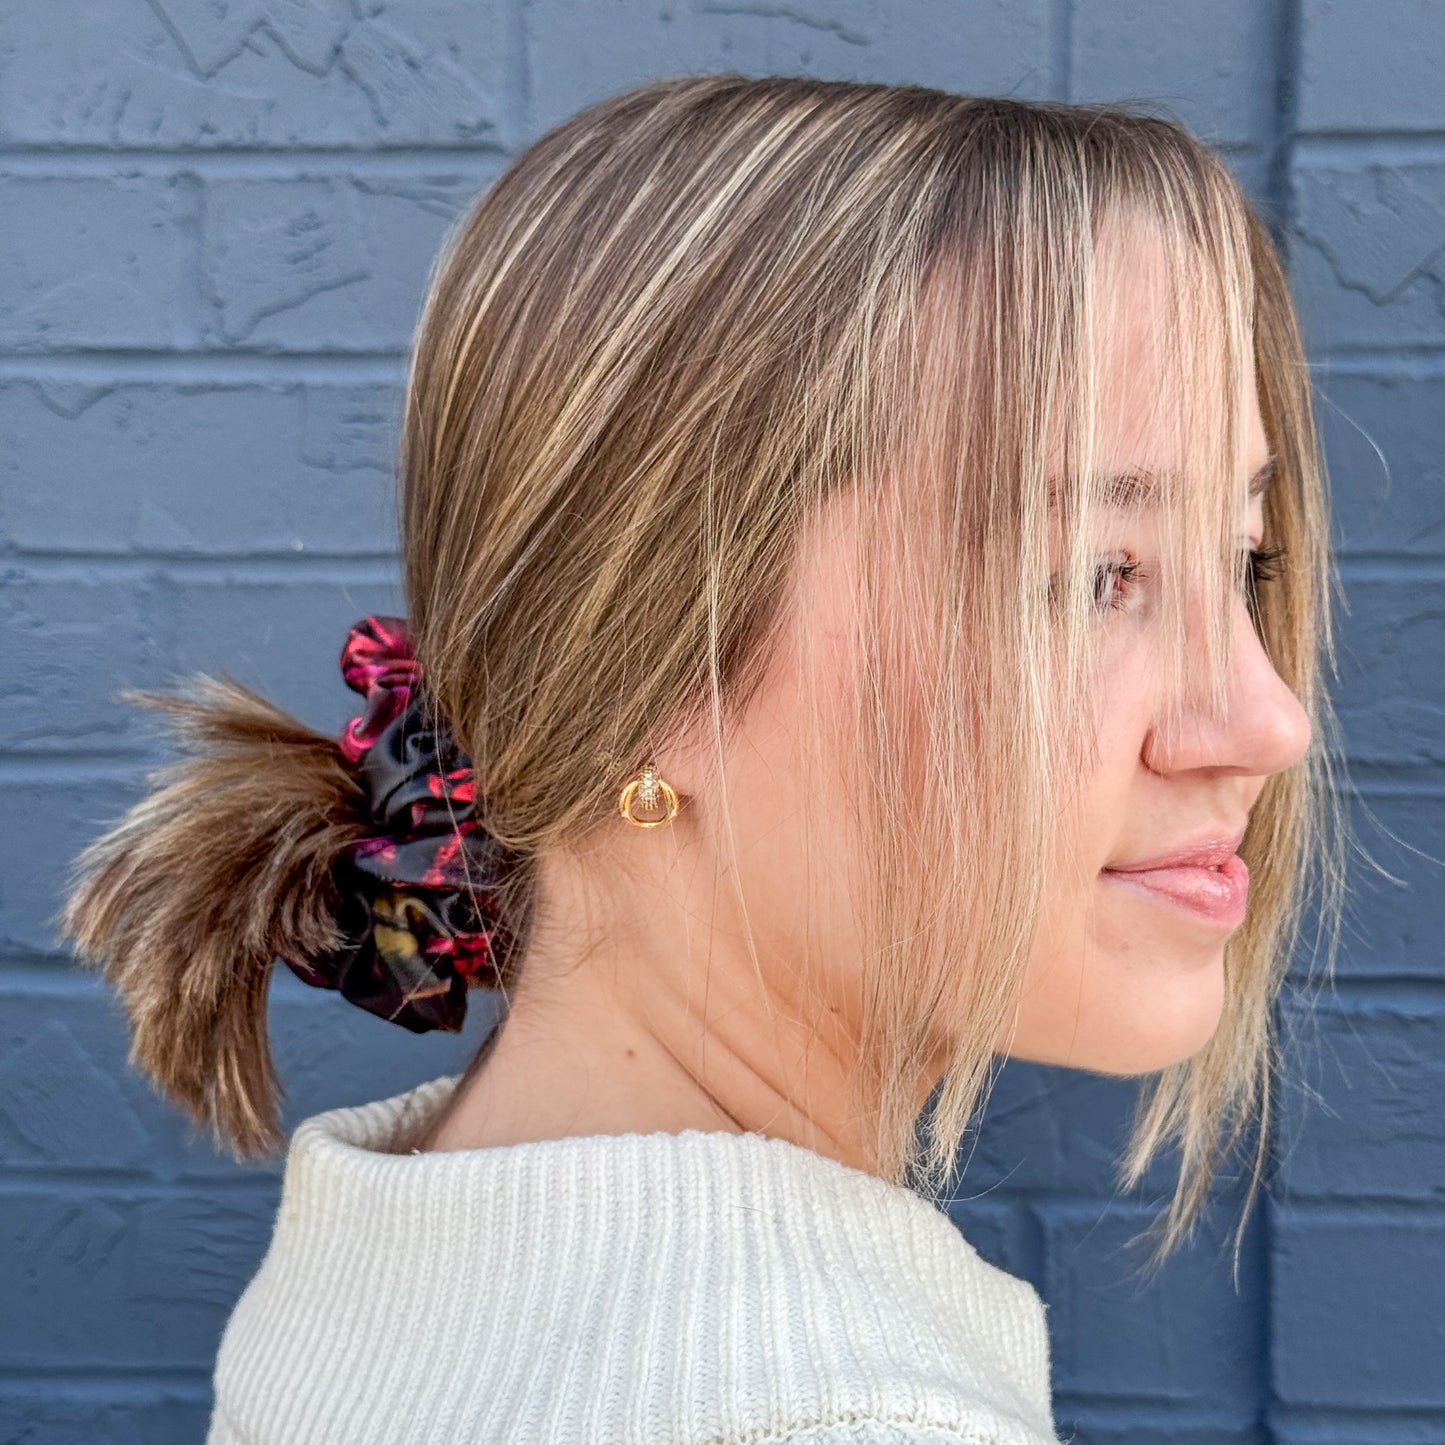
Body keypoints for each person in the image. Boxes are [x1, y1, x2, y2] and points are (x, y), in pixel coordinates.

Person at [60, 73, 1345, 1445]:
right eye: (1097, 573)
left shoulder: (407, 1234)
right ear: (639, 654)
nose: (1266, 720)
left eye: (1241, 556)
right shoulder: (837, 1414)